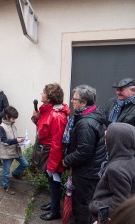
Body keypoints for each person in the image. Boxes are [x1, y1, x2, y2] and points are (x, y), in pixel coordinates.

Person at [62, 85, 107, 224]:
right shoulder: (92, 114)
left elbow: (84, 152)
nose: (71, 101)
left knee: (83, 206)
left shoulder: (86, 123)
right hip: (91, 170)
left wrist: (66, 160)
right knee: (87, 203)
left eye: (74, 99)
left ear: (83, 103)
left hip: (86, 173)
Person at [31, 83, 70, 221]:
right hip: (46, 152)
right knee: (52, 182)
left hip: (52, 154)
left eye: (43, 92)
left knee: (54, 182)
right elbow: (44, 130)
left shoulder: (57, 116)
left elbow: (57, 143)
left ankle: (55, 212)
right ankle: (53, 203)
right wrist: (36, 118)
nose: (41, 94)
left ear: (50, 97)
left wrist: (52, 166)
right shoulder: (48, 111)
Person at [89, 123, 135, 222]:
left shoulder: (116, 169)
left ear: (117, 141)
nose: (105, 142)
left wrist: (95, 205)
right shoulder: (131, 161)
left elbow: (120, 201)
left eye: (107, 138)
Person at [0, 105, 28, 195]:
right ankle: (6, 186)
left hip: (16, 150)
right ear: (7, 116)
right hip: (7, 153)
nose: (14, 120)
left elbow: (14, 137)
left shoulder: (12, 124)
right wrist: (16, 140)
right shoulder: (2, 127)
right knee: (6, 172)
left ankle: (15, 174)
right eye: (13, 118)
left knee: (25, 164)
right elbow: (4, 141)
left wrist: (21, 139)